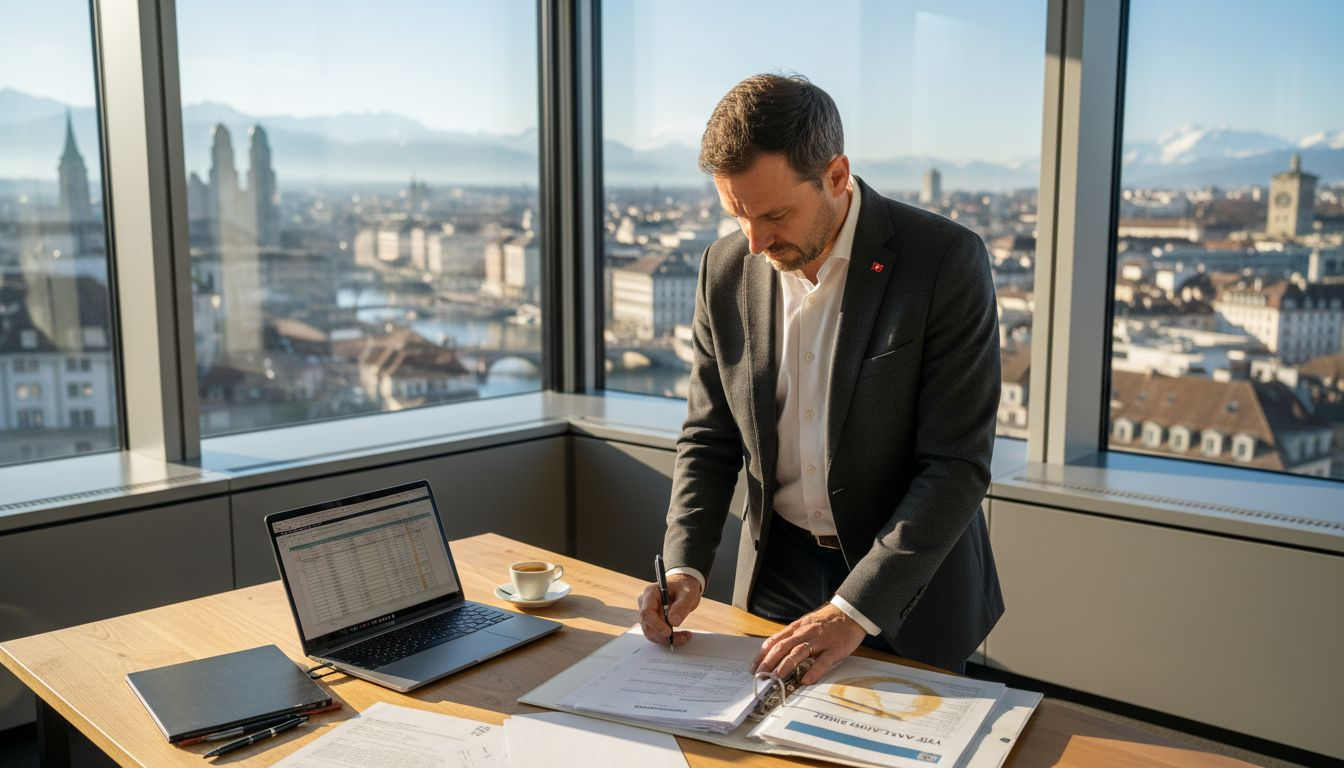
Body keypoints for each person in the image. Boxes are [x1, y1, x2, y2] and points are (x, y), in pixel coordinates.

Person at [637, 73, 1003, 683]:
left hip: (901, 590)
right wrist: (684, 567)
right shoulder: (724, 267)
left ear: (837, 176)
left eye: (775, 214)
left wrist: (852, 611)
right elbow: (709, 436)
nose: (753, 243)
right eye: (738, 216)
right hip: (775, 575)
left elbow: (956, 465)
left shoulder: (944, 261)